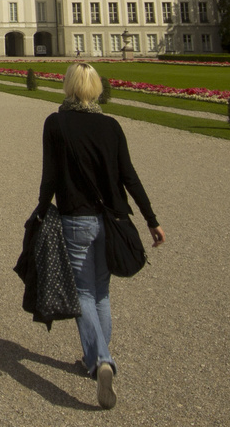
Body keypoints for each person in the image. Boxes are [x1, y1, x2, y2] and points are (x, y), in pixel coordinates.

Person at [38, 63, 164, 409]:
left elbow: (49, 176)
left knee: (82, 293)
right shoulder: (111, 126)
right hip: (110, 221)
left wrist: (39, 211)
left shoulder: (56, 123)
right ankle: (95, 359)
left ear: (67, 87)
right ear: (96, 89)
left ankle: (101, 360)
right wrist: (151, 219)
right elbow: (130, 177)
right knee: (102, 294)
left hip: (75, 220)